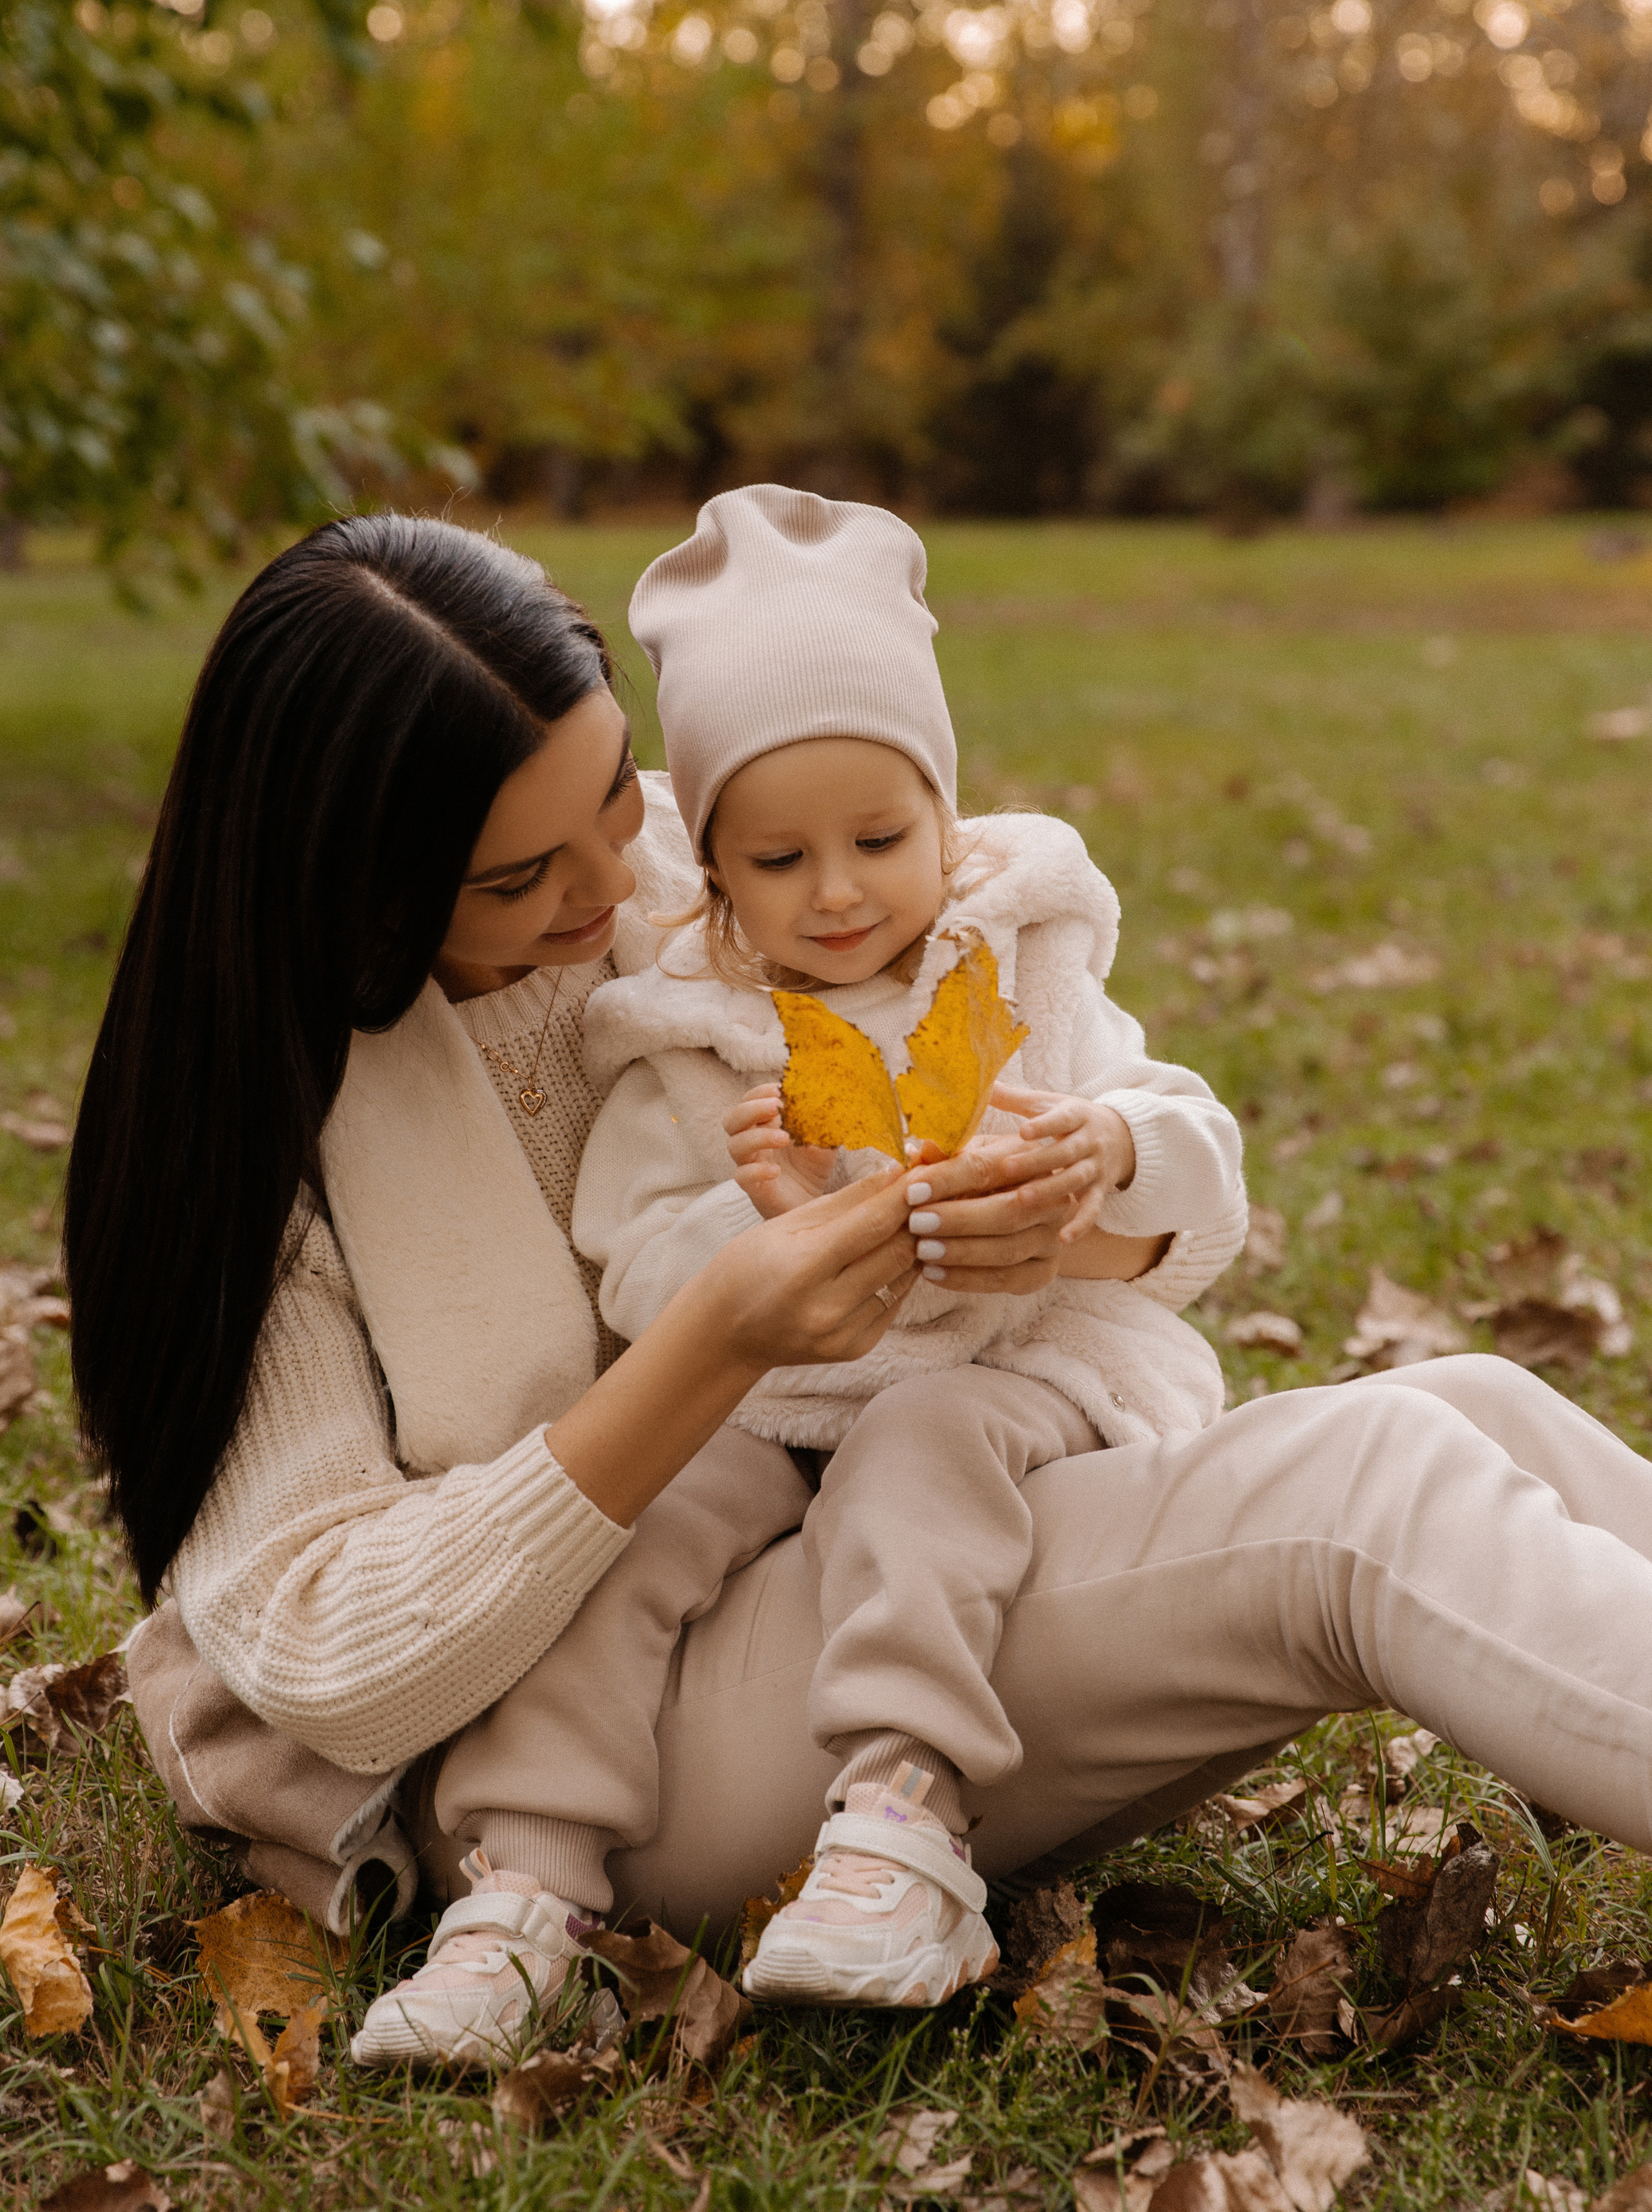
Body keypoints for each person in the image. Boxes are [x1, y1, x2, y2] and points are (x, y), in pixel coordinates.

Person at [72, 513, 1652, 2082]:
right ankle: (597, 1910)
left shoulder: (742, 865)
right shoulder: (255, 1143)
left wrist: (1066, 1221)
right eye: (517, 875)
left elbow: (1099, 1119)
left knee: (1470, 1408)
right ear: (353, 892)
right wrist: (711, 1340)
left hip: (860, 1515)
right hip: (577, 1740)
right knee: (1362, 1499)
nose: (625, 875)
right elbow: (340, 1667)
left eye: (619, 787)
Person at [566, 485, 1247, 2009]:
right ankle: (523, 1868)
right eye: (778, 859)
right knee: (631, 1516)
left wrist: (1109, 1155)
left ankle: (902, 1816)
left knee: (921, 1445)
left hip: (1012, 1372)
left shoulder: (1020, 968)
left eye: (879, 836)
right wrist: (755, 1230)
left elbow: (1198, 1161)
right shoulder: (690, 1039)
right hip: (775, 1403)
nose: (838, 890)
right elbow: (627, 1257)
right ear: (719, 878)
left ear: (947, 816)